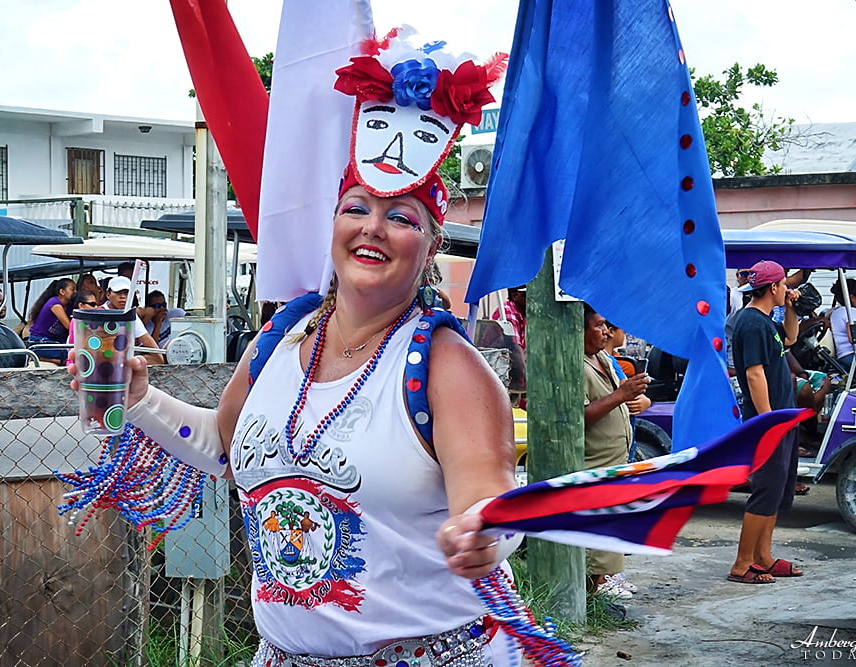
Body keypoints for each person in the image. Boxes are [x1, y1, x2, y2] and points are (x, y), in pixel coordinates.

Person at [67, 33, 523, 664]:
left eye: (402, 217)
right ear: (331, 224)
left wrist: (486, 535)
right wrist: (140, 399)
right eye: (356, 207)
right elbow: (221, 447)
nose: (372, 227)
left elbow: (492, 503)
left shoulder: (448, 366)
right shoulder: (282, 338)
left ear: (429, 246)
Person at [728, 260, 804, 584]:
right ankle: (742, 563)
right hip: (769, 420)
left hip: (782, 416)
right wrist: (767, 419)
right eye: (784, 285)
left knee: (775, 490)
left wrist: (789, 308)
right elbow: (753, 373)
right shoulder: (751, 323)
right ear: (772, 287)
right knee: (764, 490)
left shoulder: (765, 321)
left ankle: (764, 556)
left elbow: (790, 339)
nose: (787, 289)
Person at [583, 304, 651, 598]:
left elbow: (621, 391)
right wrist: (622, 395)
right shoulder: (574, 363)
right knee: (598, 519)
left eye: (606, 326)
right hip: (594, 457)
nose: (606, 331)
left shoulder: (602, 357)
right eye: (599, 326)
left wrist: (637, 396)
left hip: (615, 456)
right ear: (581, 330)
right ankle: (598, 584)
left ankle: (610, 575)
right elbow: (581, 414)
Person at [101, 276, 164, 365]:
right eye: (118, 293)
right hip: (104, 359)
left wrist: (161, 361)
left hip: (125, 360)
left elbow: (146, 339)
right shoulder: (99, 312)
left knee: (153, 360)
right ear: (108, 294)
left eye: (126, 293)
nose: (123, 297)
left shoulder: (130, 314)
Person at [27, 278, 77, 362]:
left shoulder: (68, 306)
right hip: (40, 340)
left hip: (54, 340)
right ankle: (41, 357)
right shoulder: (55, 304)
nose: (75, 292)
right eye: (72, 289)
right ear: (62, 292)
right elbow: (69, 326)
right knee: (69, 353)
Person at [828, 278, 856, 370]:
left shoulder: (835, 312)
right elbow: (854, 337)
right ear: (852, 297)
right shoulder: (851, 311)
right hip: (853, 357)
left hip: (842, 357)